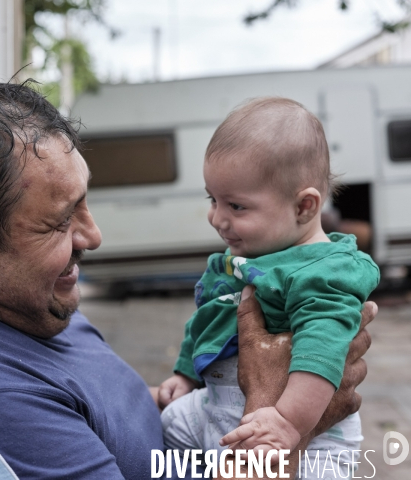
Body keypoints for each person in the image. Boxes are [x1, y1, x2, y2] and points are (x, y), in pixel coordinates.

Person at [0, 80, 374, 479]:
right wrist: (279, 421)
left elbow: (94, 412)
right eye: (60, 221)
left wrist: (183, 396)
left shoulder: (12, 301)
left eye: (84, 205)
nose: (93, 237)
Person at [159, 97, 380, 477]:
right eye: (213, 200)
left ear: (304, 207)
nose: (216, 218)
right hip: (216, 405)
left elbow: (322, 353)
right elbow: (207, 320)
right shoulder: (242, 259)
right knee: (170, 424)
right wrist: (184, 375)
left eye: (236, 207)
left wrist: (289, 423)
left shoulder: (323, 272)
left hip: (302, 432)